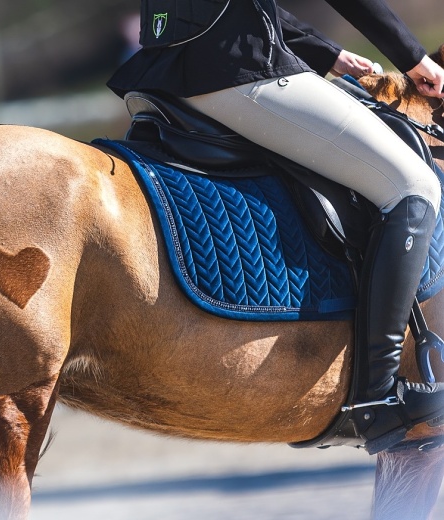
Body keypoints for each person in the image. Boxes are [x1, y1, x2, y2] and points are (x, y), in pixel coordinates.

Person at [108, 0, 444, 454]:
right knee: (413, 186)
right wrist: (413, 57)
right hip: (234, 67)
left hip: (172, 62)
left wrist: (324, 51)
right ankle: (378, 394)